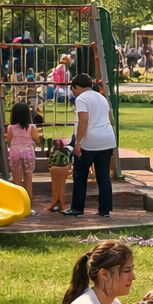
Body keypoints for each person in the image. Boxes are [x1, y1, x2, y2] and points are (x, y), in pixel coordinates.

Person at [63, 74, 115, 217]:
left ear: (77, 87)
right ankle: (105, 210)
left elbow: (83, 120)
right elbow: (109, 117)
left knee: (80, 175)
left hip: (89, 141)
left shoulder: (81, 99)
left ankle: (77, 208)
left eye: (73, 89)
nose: (73, 92)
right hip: (107, 140)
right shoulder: (101, 97)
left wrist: (78, 142)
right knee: (103, 176)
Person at [5, 102, 41, 211]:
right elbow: (37, 140)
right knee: (28, 177)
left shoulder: (11, 127)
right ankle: (29, 203)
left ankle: (19, 203)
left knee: (17, 180)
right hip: (28, 153)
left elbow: (8, 140)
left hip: (15, 153)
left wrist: (6, 138)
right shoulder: (31, 127)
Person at [47, 137, 73, 213]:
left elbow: (50, 162)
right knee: (61, 183)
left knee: (55, 182)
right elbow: (71, 162)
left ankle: (56, 200)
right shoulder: (68, 149)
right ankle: (60, 202)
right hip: (65, 168)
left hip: (54, 168)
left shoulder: (53, 150)